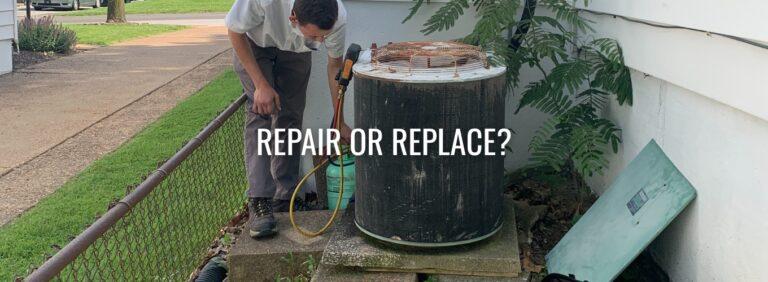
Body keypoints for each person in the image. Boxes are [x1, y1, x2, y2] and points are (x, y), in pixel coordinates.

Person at [225, 0, 351, 239]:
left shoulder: (337, 17)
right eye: (317, 36)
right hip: (253, 44)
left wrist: (339, 120)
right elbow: (234, 30)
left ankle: (285, 198)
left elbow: (335, 66)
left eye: (325, 36)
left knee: (290, 118)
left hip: (296, 51)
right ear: (293, 18)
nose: (322, 41)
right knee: (261, 112)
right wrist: (261, 85)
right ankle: (260, 201)